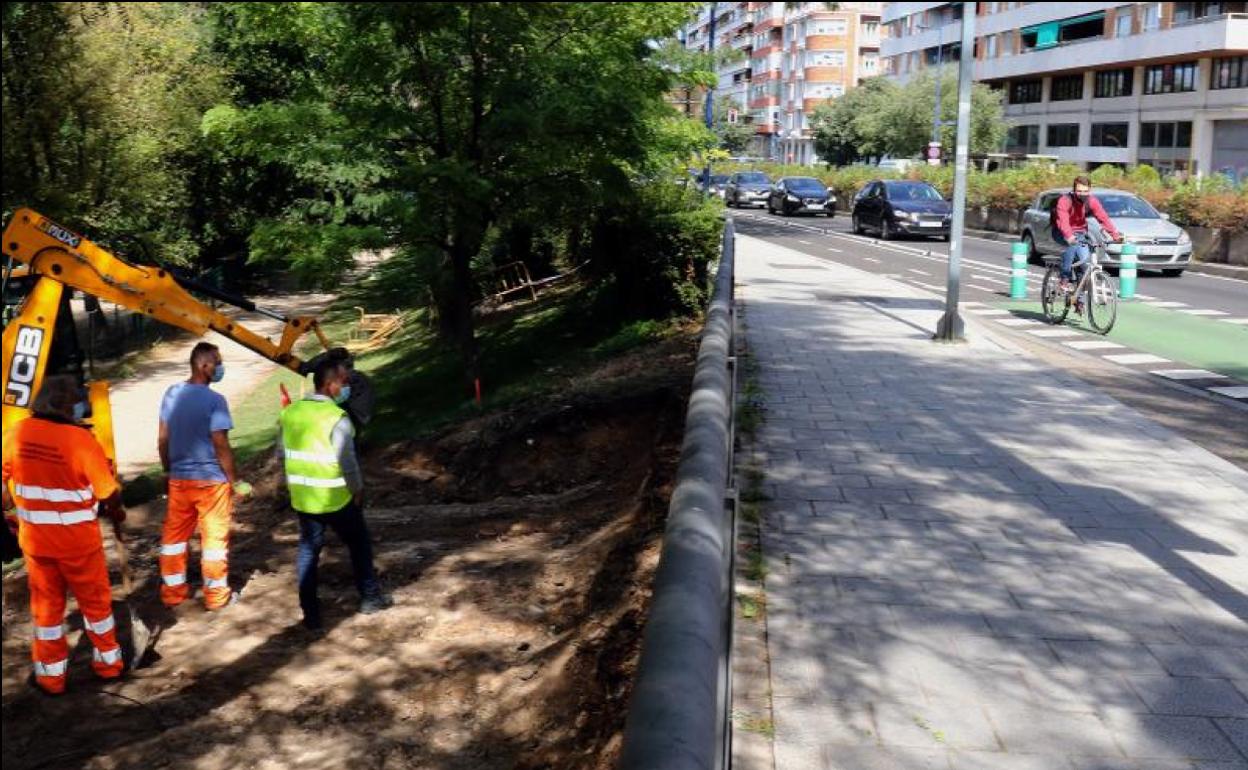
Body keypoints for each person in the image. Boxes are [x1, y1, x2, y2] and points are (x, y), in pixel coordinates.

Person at [1, 376, 125, 694]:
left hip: (37, 545)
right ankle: (109, 666)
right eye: (77, 401)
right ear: (69, 405)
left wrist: (9, 513)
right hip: (78, 545)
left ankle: (50, 678)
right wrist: (117, 511)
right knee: (96, 607)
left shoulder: (18, 433)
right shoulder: (80, 440)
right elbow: (107, 491)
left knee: (47, 611)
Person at [277, 358, 390, 631]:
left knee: (308, 551)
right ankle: (370, 597)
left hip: (304, 500)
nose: (346, 386)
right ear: (329, 385)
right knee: (359, 544)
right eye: (343, 382)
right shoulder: (336, 418)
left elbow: (282, 453)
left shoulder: (290, 413)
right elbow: (348, 462)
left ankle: (311, 616)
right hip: (337, 499)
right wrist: (358, 490)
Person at [157, 341, 245, 611]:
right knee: (214, 541)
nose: (220, 367)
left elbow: (163, 438)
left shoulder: (171, 394)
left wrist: (167, 469)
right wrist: (234, 480)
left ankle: (172, 594)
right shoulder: (215, 401)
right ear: (204, 365)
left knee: (173, 540)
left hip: (179, 480)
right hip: (210, 482)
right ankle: (216, 597)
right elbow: (220, 442)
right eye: (217, 362)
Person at [1053, 175, 1123, 292]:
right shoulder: (1064, 201)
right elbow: (1063, 221)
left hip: (1080, 233)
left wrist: (1115, 235)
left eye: (1085, 191)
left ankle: (1079, 300)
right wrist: (1069, 236)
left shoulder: (1091, 201)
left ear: (1090, 190)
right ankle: (1064, 279)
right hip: (1061, 232)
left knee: (1085, 263)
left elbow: (1103, 218)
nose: (1082, 194)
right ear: (1074, 190)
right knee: (1072, 246)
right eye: (1079, 191)